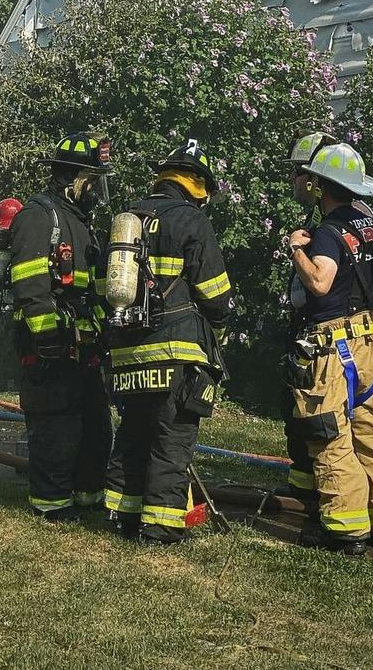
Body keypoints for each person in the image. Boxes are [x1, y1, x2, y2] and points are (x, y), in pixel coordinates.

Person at [286, 143, 373, 556]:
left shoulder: (326, 233)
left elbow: (320, 282)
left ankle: (345, 528)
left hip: (331, 349)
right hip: (372, 347)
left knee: (331, 436)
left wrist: (295, 250)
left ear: (321, 186)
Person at [104, 141, 231, 545]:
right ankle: (159, 526)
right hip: (176, 351)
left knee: (133, 432)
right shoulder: (191, 220)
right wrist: (223, 322)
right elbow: (214, 295)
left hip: (127, 351)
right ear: (197, 184)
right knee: (171, 438)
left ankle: (122, 515)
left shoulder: (127, 217)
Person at [8, 132, 112, 520]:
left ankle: (88, 498)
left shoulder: (81, 222)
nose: (97, 190)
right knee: (56, 428)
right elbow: (31, 288)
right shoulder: (39, 217)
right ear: (72, 179)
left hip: (82, 346)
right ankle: (51, 505)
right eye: (93, 181)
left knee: (95, 427)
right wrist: (49, 340)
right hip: (47, 348)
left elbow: (93, 292)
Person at [278, 131, 337, 509]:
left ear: (315, 180)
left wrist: (297, 251)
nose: (293, 181)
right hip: (324, 332)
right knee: (301, 412)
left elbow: (317, 284)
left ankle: (324, 498)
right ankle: (304, 485)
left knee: (321, 417)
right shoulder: (336, 216)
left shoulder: (335, 224)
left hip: (330, 337)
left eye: (298, 173)